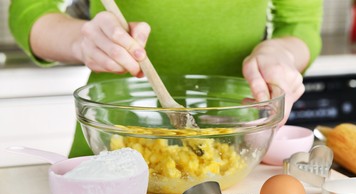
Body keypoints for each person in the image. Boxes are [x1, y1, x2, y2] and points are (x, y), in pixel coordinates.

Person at [9, 0, 323, 157]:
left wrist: (280, 55)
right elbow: (28, 11)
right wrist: (81, 39)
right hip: (107, 151)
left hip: (237, 148)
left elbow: (299, 26)